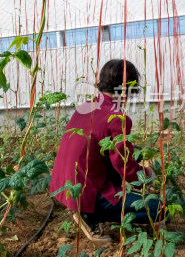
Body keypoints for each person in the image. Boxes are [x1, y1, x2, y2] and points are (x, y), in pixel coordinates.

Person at [49, 59, 160, 244]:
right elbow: (124, 166)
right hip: (86, 191)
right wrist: (147, 175)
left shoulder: (87, 106)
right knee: (159, 208)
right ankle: (90, 213)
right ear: (129, 87)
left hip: (66, 185)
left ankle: (91, 207)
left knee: (110, 159)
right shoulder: (116, 118)